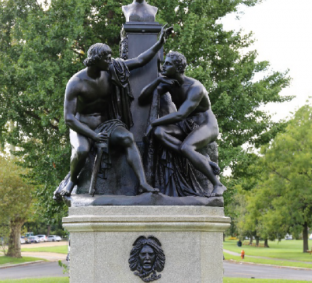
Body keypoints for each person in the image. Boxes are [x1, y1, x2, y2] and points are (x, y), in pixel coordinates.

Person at [54, 25, 173, 200]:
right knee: (81, 149)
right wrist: (93, 136)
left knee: (128, 138)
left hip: (106, 124)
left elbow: (140, 60)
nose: (111, 60)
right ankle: (72, 182)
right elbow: (69, 118)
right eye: (107, 58)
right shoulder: (76, 83)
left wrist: (159, 43)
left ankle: (142, 182)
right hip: (82, 126)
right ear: (95, 59)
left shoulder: (112, 70)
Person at [138, 51, 226, 197]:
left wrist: (153, 123)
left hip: (205, 125)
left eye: (168, 64)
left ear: (178, 68)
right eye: (164, 63)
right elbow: (142, 98)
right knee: (159, 132)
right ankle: (202, 160)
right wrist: (157, 82)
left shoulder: (195, 88)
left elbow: (180, 114)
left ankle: (218, 184)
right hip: (186, 125)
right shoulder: (169, 83)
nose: (164, 67)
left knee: (187, 147)